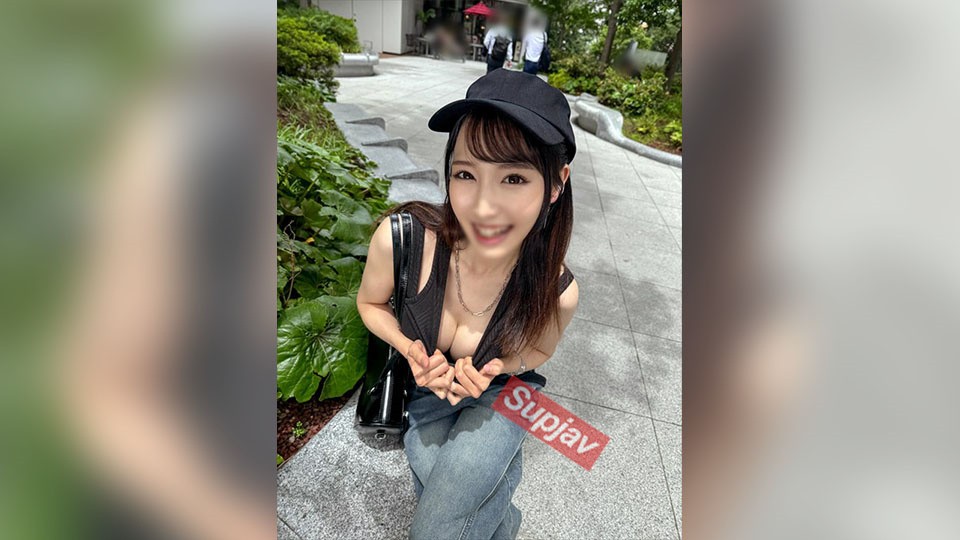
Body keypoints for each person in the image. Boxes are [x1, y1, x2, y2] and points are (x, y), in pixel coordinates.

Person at [356, 69, 580, 540]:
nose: (482, 206)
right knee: (450, 490)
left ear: (556, 184)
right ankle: (507, 525)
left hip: (508, 392)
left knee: (441, 515)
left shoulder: (555, 288)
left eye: (513, 178)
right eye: (465, 174)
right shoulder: (402, 241)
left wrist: (500, 365)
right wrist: (409, 348)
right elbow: (371, 304)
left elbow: (540, 352)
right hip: (427, 392)